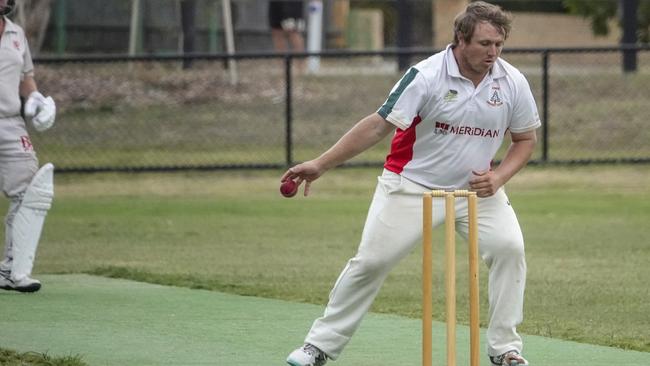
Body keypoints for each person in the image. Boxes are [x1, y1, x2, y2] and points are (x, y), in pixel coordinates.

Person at [282, 2, 538, 366]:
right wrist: (321, 164)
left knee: (510, 249)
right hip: (412, 185)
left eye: (498, 44)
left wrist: (498, 178)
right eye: (484, 44)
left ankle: (505, 350)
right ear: (461, 39)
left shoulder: (511, 81)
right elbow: (378, 124)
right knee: (371, 262)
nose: (493, 53)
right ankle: (318, 347)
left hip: (475, 189)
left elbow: (525, 140)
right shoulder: (427, 75)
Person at [0, 0, 56, 293]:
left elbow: (26, 78)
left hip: (10, 123)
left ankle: (12, 268)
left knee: (29, 194)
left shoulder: (16, 34)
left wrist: (36, 99)